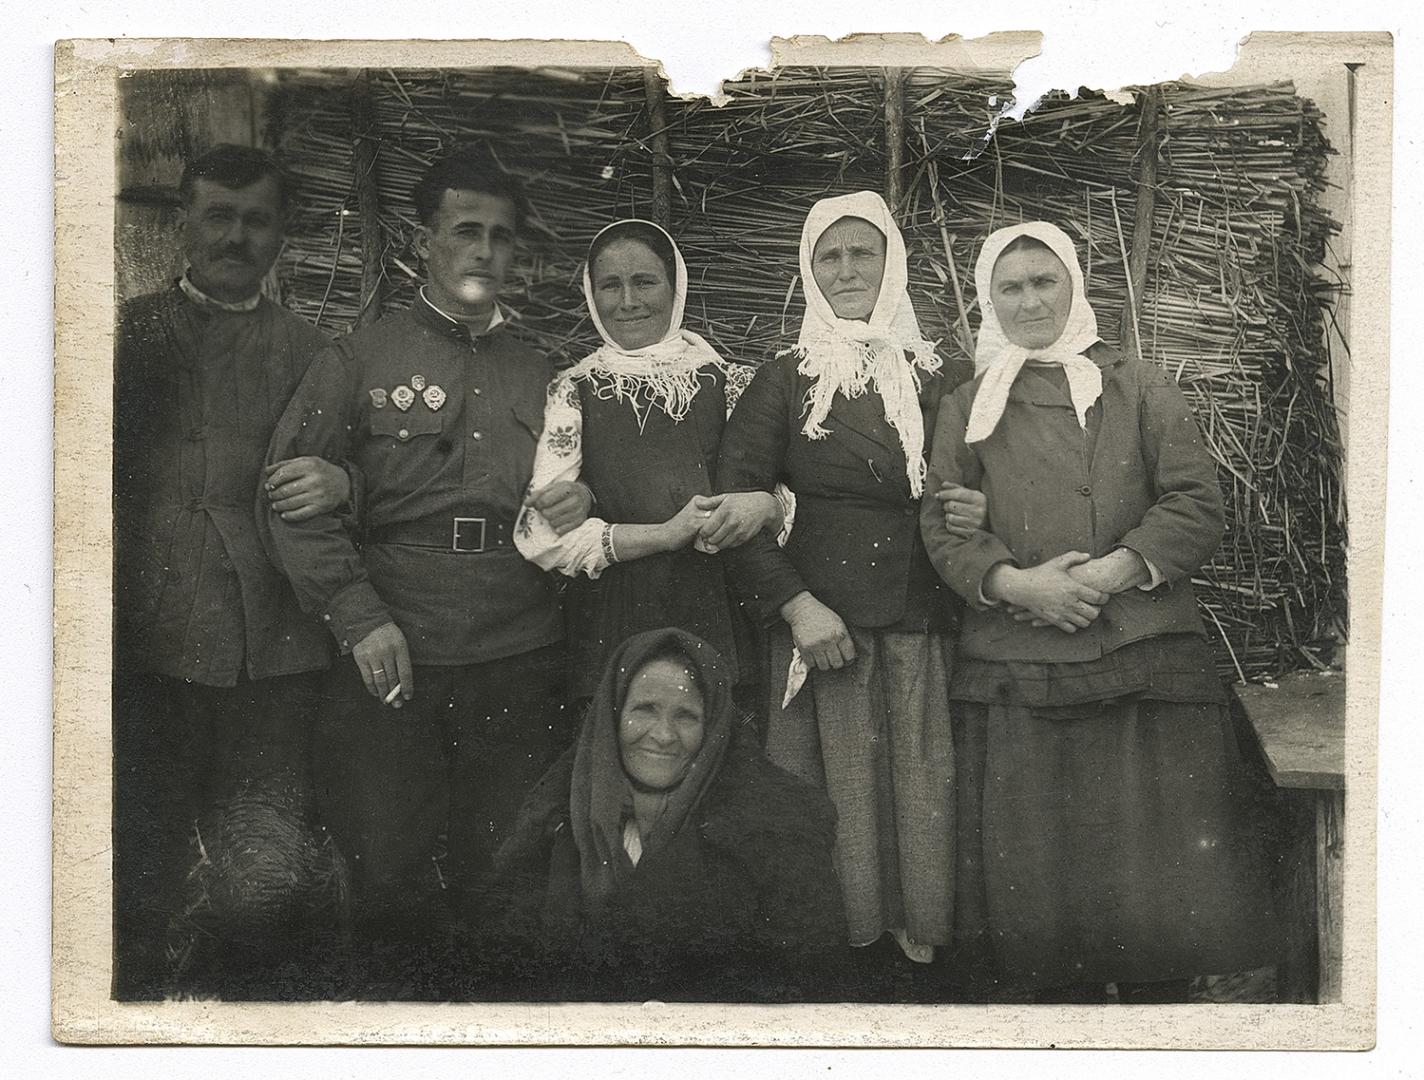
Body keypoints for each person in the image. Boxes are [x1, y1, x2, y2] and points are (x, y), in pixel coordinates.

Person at [920, 220, 1281, 1002]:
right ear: (989, 300)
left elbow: (1195, 503)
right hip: (1021, 661)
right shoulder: (967, 404)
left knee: (1153, 896)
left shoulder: (1138, 385)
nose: (1029, 300)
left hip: (1139, 660)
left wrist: (1110, 573)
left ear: (1075, 287)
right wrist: (1021, 586)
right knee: (1043, 908)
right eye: (1009, 287)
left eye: (1043, 281)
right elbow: (941, 525)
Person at [261, 149, 572, 985]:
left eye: (501, 239)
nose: (484, 253)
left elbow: (573, 497)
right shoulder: (357, 360)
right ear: (421, 240)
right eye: (465, 231)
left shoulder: (545, 374)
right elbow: (289, 500)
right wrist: (356, 615)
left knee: (503, 870)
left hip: (517, 648)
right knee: (388, 870)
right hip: (392, 650)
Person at [716, 191, 985, 970]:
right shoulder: (786, 376)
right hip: (826, 630)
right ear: (809, 271)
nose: (846, 270)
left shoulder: (943, 373)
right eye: (827, 257)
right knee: (836, 812)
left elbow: (978, 483)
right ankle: (838, 968)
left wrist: (975, 505)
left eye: (862, 253)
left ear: (893, 263)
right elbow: (737, 515)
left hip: (921, 626)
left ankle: (920, 970)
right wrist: (798, 607)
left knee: (922, 795)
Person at [112, 144, 350, 997]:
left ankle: (253, 1027)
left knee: (262, 873)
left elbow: (373, 489)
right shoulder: (124, 339)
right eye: (218, 214)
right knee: (134, 863)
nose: (236, 236)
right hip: (145, 649)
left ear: (283, 234)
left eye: (256, 220)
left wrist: (344, 479)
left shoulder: (313, 353)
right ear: (183, 221)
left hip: (269, 660)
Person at [469, 627, 847, 1002]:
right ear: (612, 715)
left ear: (714, 726)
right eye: (645, 710)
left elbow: (806, 978)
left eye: (686, 716)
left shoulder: (776, 829)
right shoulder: (552, 816)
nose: (663, 735)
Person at [514, 218, 782, 703]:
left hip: (725, 615)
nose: (628, 301)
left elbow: (786, 500)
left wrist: (766, 506)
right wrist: (664, 534)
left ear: (675, 286)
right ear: (591, 296)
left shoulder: (734, 385)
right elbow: (539, 534)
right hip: (616, 622)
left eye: (644, 282)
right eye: (610, 286)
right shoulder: (573, 390)